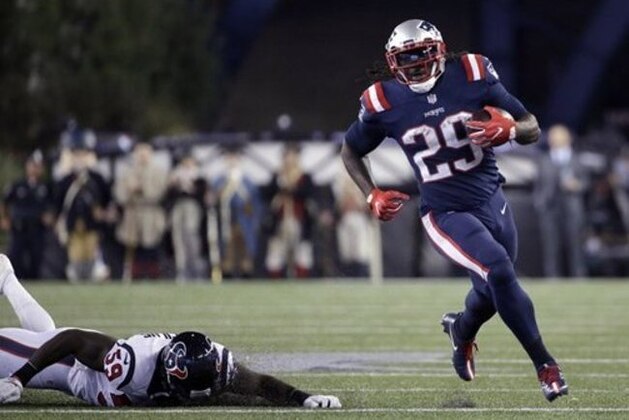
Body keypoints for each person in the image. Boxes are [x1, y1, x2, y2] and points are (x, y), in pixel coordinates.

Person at [341, 19, 567, 401]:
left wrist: (510, 130)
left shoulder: (473, 74)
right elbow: (351, 150)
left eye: (421, 55)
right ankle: (546, 365)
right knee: (498, 269)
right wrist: (370, 194)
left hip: (492, 199)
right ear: (392, 62)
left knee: (491, 289)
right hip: (445, 213)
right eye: (405, 59)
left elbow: (532, 126)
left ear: (440, 51)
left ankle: (461, 330)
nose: (414, 65)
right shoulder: (382, 100)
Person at [0, 255, 341, 409]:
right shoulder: (131, 365)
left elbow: (260, 384)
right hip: (75, 369)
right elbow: (70, 340)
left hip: (83, 359)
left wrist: (303, 398)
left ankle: (6, 278)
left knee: (45, 335)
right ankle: (6, 278)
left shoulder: (214, 364)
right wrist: (19, 378)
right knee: (43, 344)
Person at [54, 130, 111, 282]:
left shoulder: (96, 178)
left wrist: (103, 211)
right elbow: (58, 202)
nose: (80, 158)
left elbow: (106, 198)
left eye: (83, 154)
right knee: (76, 258)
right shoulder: (66, 179)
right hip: (73, 224)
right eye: (77, 154)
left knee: (93, 256)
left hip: (92, 224)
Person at [533, 125, 588, 277]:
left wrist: (577, 185)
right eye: (552, 136)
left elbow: (586, 183)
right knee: (551, 245)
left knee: (575, 244)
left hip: (571, 206)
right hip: (550, 207)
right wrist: (539, 202)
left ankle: (579, 275)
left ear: (567, 138)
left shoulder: (577, 159)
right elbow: (538, 184)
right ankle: (552, 276)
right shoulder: (543, 159)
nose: (554, 139)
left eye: (558, 135)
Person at [114, 142, 168, 280]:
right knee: (133, 248)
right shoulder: (128, 172)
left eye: (145, 153)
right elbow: (119, 194)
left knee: (151, 247)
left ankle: (154, 276)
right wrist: (129, 191)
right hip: (132, 214)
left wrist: (142, 188)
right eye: (139, 154)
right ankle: (134, 276)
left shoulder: (159, 172)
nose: (142, 157)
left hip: (151, 215)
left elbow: (160, 193)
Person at [264, 145, 316, 278]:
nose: (289, 159)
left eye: (293, 156)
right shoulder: (277, 176)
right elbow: (268, 195)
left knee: (302, 254)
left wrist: (291, 189)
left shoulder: (304, 177)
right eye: (287, 156)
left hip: (299, 221)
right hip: (280, 222)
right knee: (276, 255)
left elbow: (307, 195)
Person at [0, 151, 53, 279]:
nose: (35, 169)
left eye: (38, 166)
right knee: (15, 257)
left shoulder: (46, 187)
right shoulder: (18, 185)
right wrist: (4, 219)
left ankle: (35, 284)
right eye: (33, 165)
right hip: (19, 228)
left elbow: (52, 206)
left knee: (37, 259)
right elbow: (4, 201)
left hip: (37, 229)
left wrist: (50, 217)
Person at [167, 154, 207, 281]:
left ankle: (195, 267)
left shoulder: (199, 177)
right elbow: (169, 195)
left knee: (191, 236)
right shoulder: (176, 176)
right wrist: (175, 184)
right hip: (178, 207)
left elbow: (201, 195)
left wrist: (190, 186)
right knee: (178, 238)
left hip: (192, 208)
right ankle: (181, 268)